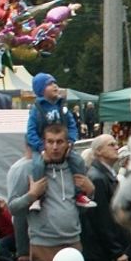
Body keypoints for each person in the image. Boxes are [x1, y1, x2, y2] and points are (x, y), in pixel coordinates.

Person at [8, 124, 92, 261]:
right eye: (50, 142)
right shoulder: (28, 169)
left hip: (72, 243)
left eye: (59, 142)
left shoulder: (75, 169)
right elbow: (14, 209)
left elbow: (81, 212)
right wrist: (31, 196)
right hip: (43, 245)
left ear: (68, 144)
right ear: (43, 143)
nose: (55, 147)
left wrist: (90, 193)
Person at [26, 72, 95, 212]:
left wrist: (71, 141)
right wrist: (40, 148)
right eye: (50, 84)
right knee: (38, 165)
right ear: (40, 89)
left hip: (63, 145)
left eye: (55, 82)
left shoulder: (62, 106)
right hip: (43, 147)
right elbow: (31, 132)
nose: (55, 86)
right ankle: (38, 196)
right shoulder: (36, 110)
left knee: (79, 161)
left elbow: (71, 125)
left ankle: (78, 194)